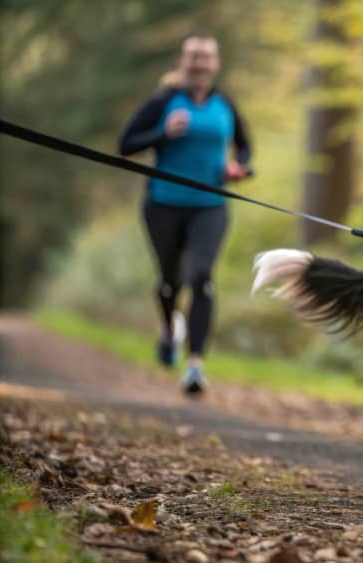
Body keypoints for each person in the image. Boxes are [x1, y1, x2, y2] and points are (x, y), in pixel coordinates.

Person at [118, 32, 251, 395]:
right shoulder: (164, 101)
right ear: (182, 61)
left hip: (210, 206)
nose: (199, 63)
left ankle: (194, 367)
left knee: (202, 278)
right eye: (193, 56)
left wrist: (238, 167)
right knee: (169, 282)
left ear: (215, 64)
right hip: (163, 204)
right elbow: (126, 144)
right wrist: (163, 132)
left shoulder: (225, 104)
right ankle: (167, 330)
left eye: (206, 57)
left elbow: (244, 147)